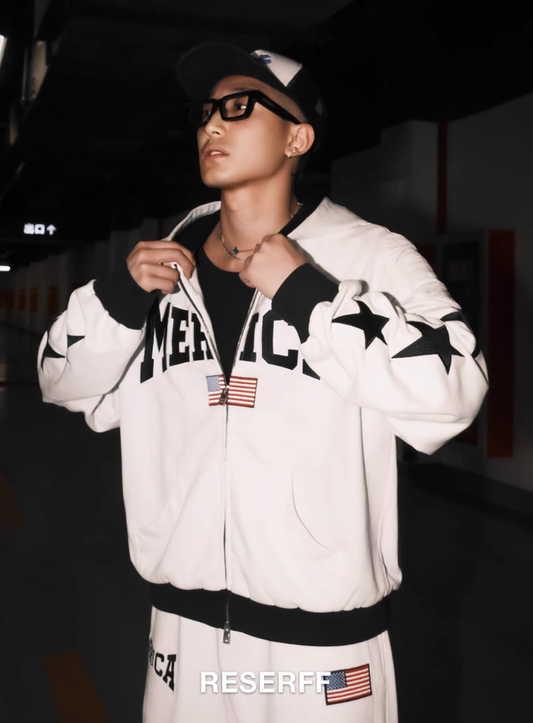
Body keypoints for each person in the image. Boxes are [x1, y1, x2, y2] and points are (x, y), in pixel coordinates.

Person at [38, 41, 488, 723]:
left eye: (240, 107)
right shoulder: (161, 268)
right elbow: (58, 377)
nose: (212, 125)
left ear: (296, 138)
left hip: (323, 648)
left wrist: (307, 294)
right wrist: (119, 300)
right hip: (182, 632)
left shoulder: (369, 256)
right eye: (205, 112)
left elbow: (456, 387)